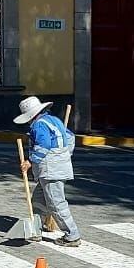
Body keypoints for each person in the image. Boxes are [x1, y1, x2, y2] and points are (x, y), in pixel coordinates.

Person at [14, 96, 80, 246]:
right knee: (38, 199)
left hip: (51, 170)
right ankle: (36, 229)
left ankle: (72, 235)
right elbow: (70, 137)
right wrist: (64, 155)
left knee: (56, 203)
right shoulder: (54, 120)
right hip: (56, 168)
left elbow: (43, 145)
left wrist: (30, 162)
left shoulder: (39, 125)